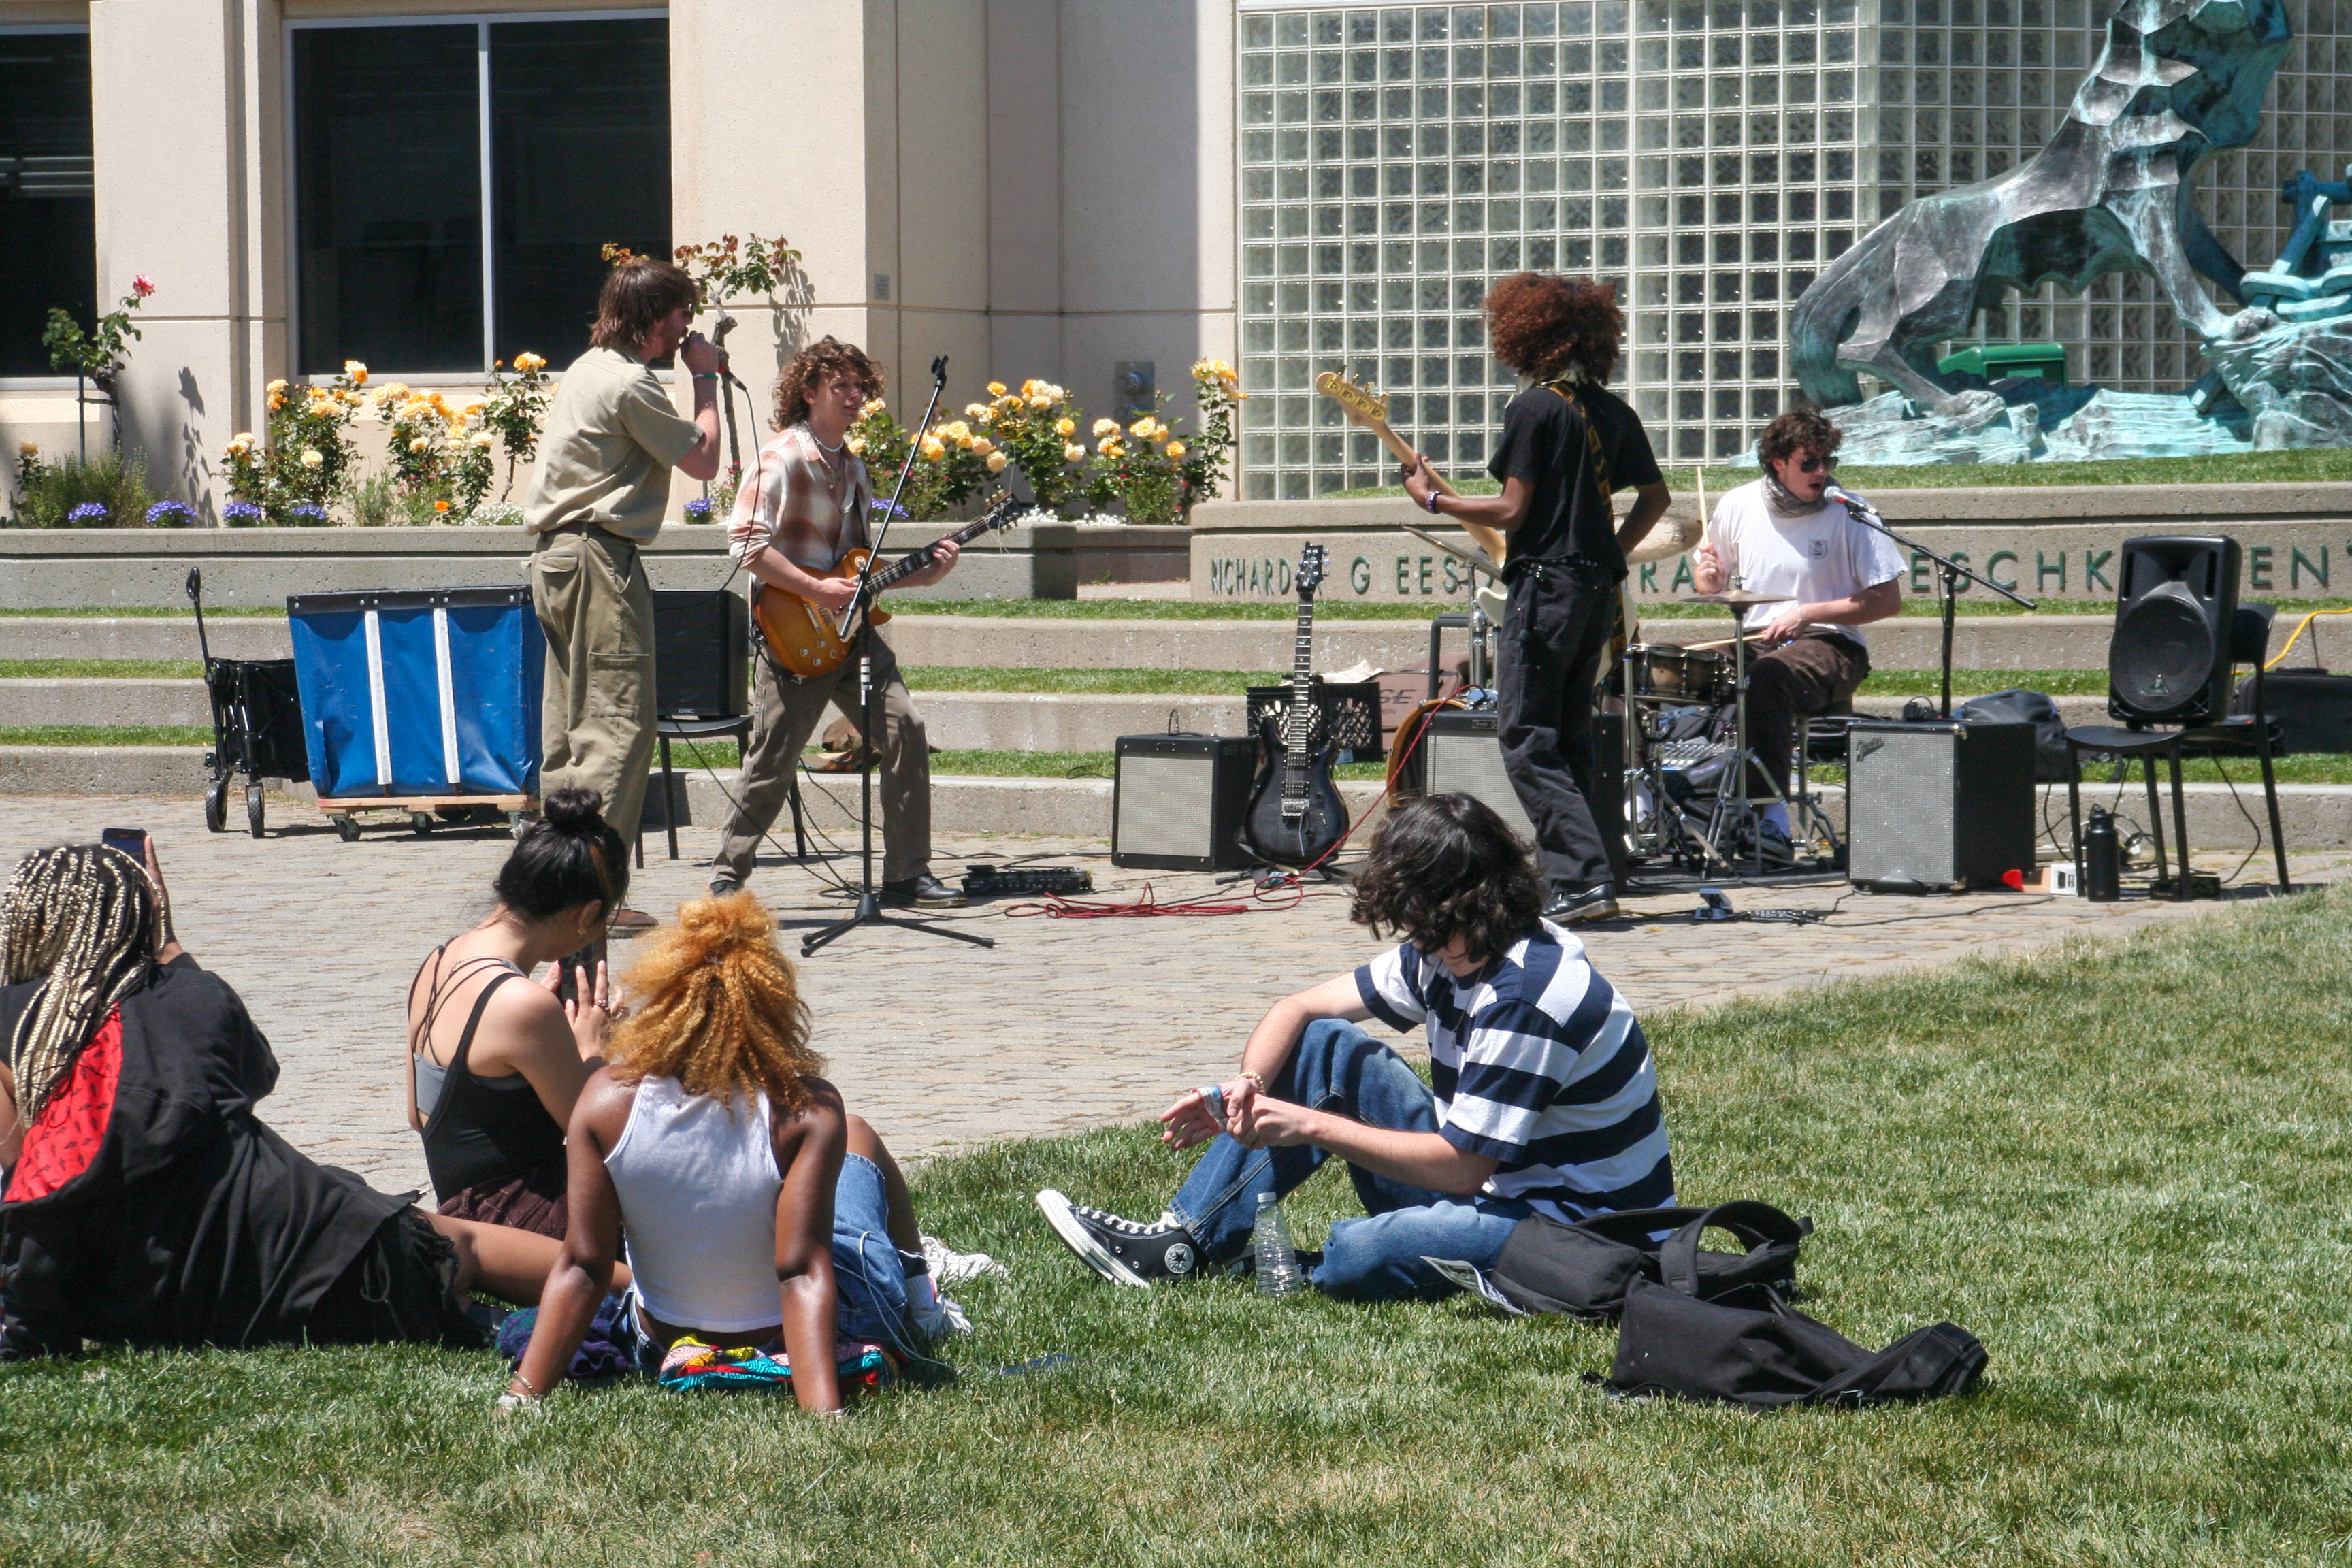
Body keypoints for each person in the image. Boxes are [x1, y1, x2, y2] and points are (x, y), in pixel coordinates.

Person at [1034, 792, 1673, 1302]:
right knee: (1326, 1045)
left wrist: (1308, 1125)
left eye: (1413, 914)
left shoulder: (1527, 997)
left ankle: (1305, 1263)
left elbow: (1460, 1167)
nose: (1407, 932)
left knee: (1357, 1254)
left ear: (1453, 903)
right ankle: (1183, 1245)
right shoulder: (1454, 949)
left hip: (1573, 1235)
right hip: (1499, 1192)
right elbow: (1300, 1008)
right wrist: (1250, 1087)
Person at [0, 841, 581, 1356]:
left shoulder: (17, 1030)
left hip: (152, 1292)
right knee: (464, 1248)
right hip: (302, 1245)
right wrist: (175, 952)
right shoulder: (186, 996)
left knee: (423, 1241)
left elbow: (23, 1177)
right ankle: (649, 1303)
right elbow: (255, 1074)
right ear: (139, 922)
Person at [508, 892, 956, 1412]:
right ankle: (926, 1305)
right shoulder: (807, 1110)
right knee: (859, 1137)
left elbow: (583, 1265)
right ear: (771, 1001)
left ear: (663, 996)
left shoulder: (603, 1101)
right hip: (788, 1338)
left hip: (661, 1344)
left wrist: (522, 1394)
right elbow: (802, 1272)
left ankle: (926, 1294)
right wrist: (825, 1414)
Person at [1402, 272, 1671, 924]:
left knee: (1525, 734)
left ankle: (1579, 877)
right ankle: (1588, 877)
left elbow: (1510, 508)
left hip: (1546, 588)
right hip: (1595, 591)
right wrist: (1615, 556)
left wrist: (1432, 499)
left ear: (1528, 333)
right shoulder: (1613, 409)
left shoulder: (1534, 408)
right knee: (1571, 739)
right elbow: (1657, 499)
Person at [710, 336, 964, 909]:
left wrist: (922, 576)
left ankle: (906, 873)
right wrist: (815, 590)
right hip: (791, 634)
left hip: (852, 638)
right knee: (774, 756)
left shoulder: (852, 468)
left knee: (906, 729)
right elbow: (746, 547)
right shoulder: (780, 459)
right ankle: (727, 873)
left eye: (859, 387)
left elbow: (859, 570)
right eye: (840, 386)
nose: (854, 397)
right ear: (809, 392)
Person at [525, 256, 727, 924]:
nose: (685, 329)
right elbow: (702, 459)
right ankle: (594, 902)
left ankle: (557, 889)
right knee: (617, 728)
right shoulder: (630, 386)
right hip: (598, 561)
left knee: (568, 734)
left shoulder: (587, 369)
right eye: (680, 318)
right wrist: (705, 380)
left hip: (556, 560)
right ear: (651, 321)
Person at [405, 787, 631, 1239]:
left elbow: (417, 1115)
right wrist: (593, 1050)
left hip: (458, 1199)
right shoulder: (522, 1004)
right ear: (586, 915)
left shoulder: (439, 960)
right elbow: (598, 1135)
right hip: (515, 1217)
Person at [1693, 408, 1904, 853]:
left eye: (1828, 461)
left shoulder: (1852, 512)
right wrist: (1710, 579)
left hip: (1832, 644)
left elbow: (1887, 600)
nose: (1822, 472)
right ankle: (1640, 802)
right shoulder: (1738, 504)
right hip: (1756, 640)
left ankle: (1771, 817)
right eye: (1810, 463)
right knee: (1651, 668)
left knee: (1769, 677)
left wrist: (1808, 613)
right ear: (1778, 463)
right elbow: (1712, 583)